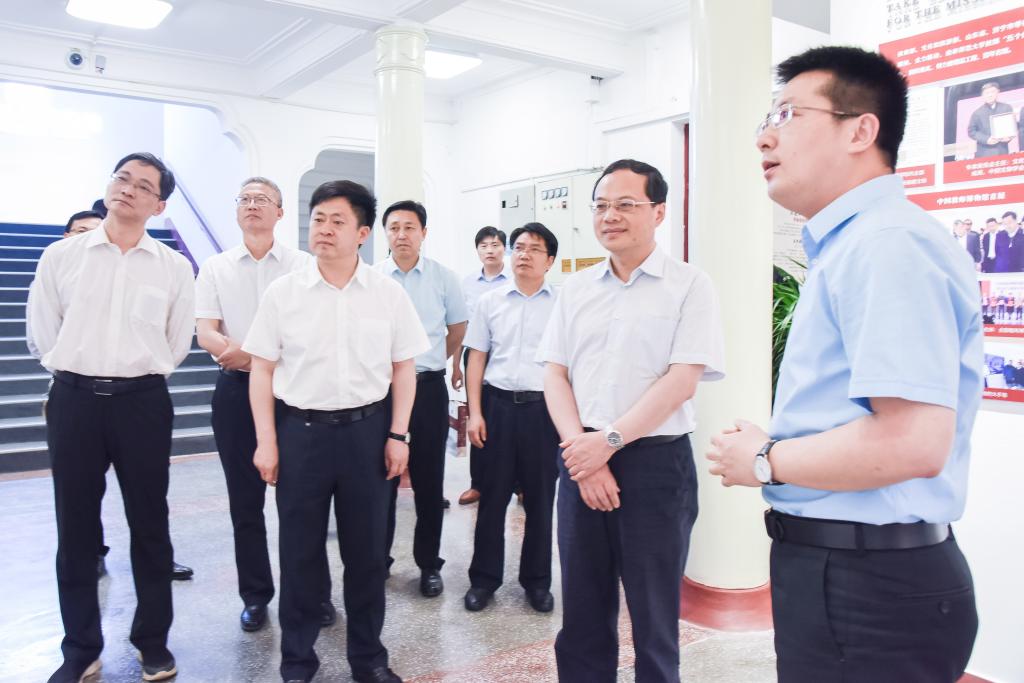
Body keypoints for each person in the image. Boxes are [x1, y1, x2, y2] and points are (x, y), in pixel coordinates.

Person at [708, 46, 982, 682]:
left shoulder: (887, 244)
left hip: (871, 585)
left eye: (788, 114)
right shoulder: (857, 243)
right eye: (766, 119)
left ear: (860, 131)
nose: (765, 138)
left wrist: (763, 458)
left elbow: (913, 442)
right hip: (846, 571)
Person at [538, 158, 725, 682]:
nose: (609, 216)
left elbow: (682, 379)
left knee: (654, 615)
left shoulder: (689, 285)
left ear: (658, 212)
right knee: (582, 610)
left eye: (625, 204)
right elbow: (554, 373)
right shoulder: (576, 289)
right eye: (600, 205)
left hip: (655, 467)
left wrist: (609, 442)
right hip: (581, 460)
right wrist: (584, 452)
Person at [243, 180, 427, 683]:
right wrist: (266, 440)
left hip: (367, 435)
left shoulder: (387, 294)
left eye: (337, 220)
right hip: (300, 434)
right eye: (318, 218)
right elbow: (262, 369)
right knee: (299, 554)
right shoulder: (284, 293)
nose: (323, 229)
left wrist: (399, 435)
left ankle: (368, 660)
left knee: (366, 556)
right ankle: (297, 661)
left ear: (363, 233)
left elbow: (404, 368)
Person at [28, 152, 195, 683]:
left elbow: (176, 341)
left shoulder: (172, 267)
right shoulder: (62, 255)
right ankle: (81, 649)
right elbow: (43, 332)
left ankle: (153, 643)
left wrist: (132, 374)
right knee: (75, 527)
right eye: (122, 178)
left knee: (150, 524)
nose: (128, 188)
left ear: (158, 205)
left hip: (141, 403)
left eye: (143, 185)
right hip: (74, 400)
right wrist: (80, 371)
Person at [195, 177, 317, 632]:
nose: (252, 205)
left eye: (262, 199)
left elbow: (309, 332)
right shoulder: (216, 267)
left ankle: (311, 594)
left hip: (291, 393)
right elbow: (206, 333)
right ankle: (255, 595)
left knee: (301, 502)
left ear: (280, 212)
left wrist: (253, 355)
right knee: (244, 503)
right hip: (234, 393)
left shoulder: (303, 265)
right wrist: (257, 358)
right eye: (244, 199)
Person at [463, 222, 559, 613]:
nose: (524, 254)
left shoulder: (563, 305)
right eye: (519, 247)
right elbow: (476, 358)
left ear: (549, 261)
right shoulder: (490, 302)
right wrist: (475, 413)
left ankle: (537, 583)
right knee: (492, 497)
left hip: (544, 411)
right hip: (498, 407)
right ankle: (483, 580)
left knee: (540, 500)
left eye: (534, 249)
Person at [376, 200, 468, 598]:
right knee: (380, 479)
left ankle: (429, 564)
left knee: (429, 481)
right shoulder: (372, 277)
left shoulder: (444, 278)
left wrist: (428, 362)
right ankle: (378, 560)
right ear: (385, 233)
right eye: (394, 227)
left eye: (409, 227)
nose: (401, 234)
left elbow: (458, 328)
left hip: (428, 388)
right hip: (382, 391)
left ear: (423, 233)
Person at [456, 225, 509, 506]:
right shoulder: (467, 284)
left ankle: (519, 485)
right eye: (484, 246)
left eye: (496, 245)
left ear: (504, 249)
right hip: (475, 355)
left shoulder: (514, 279)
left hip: (506, 355)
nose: (490, 250)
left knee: (509, 418)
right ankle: (478, 483)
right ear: (477, 250)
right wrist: (456, 365)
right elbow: (461, 326)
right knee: (477, 415)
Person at [967, 82, 1014, 158]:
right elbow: (971, 131)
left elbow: (1013, 126)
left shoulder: (1006, 108)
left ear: (998, 92)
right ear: (982, 95)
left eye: (992, 92)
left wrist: (1009, 137)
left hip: (1002, 151)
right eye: (987, 93)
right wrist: (986, 139)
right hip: (984, 153)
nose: (990, 95)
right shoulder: (977, 113)